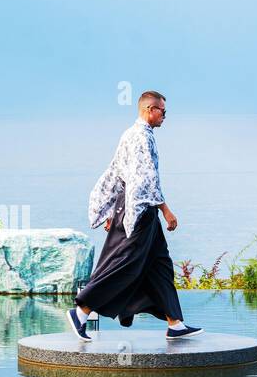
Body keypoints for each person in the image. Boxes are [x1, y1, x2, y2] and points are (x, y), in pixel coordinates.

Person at [67, 90, 201, 341]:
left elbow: (117, 172)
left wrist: (112, 209)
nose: (165, 117)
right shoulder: (140, 137)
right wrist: (165, 209)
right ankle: (82, 311)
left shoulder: (132, 134)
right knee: (124, 265)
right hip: (139, 212)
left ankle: (175, 323)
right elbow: (146, 178)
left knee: (159, 265)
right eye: (163, 111)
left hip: (134, 207)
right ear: (149, 110)